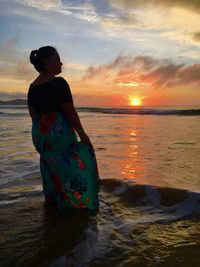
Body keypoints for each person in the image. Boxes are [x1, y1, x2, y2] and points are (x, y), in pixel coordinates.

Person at [27, 46, 99, 214]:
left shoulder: (32, 87)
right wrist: (82, 133)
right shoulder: (59, 83)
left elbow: (33, 114)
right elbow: (70, 111)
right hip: (58, 132)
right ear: (47, 62)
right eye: (57, 58)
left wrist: (44, 132)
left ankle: (52, 203)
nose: (61, 62)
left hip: (40, 134)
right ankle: (72, 205)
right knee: (69, 167)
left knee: (50, 167)